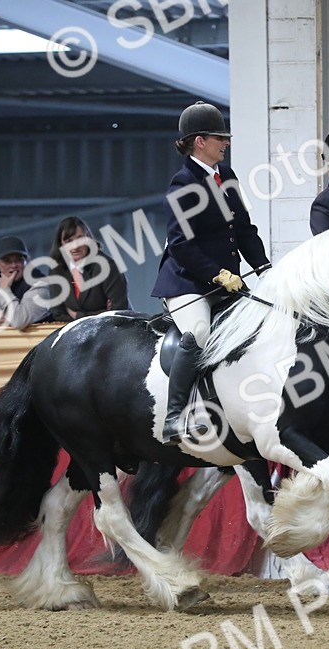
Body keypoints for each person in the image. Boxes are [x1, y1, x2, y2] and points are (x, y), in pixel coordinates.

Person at [152, 101, 271, 445]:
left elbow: (244, 230)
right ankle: (174, 417)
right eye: (220, 138)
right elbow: (180, 245)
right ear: (199, 141)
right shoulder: (182, 186)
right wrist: (219, 274)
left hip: (228, 280)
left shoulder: (228, 177)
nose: (226, 143)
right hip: (187, 281)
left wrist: (263, 268)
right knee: (200, 333)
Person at [44, 215, 130, 321]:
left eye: (80, 238)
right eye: (69, 241)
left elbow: (119, 312)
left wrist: (77, 316)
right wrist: (102, 313)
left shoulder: (107, 266)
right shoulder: (56, 270)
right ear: (60, 244)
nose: (75, 246)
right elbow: (58, 313)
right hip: (73, 333)